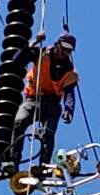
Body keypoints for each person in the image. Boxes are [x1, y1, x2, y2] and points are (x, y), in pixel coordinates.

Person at [8, 31, 79, 168]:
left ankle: (44, 166)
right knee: (19, 122)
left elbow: (69, 93)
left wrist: (69, 110)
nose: (65, 52)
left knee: (48, 133)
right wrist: (35, 42)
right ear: (57, 44)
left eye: (69, 50)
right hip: (32, 99)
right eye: (64, 47)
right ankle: (13, 160)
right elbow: (17, 61)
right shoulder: (41, 54)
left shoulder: (70, 72)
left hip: (52, 104)